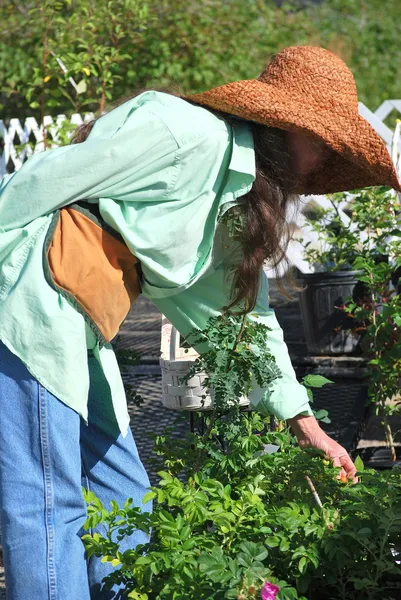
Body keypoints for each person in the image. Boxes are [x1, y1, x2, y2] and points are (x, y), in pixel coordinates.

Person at [0, 45, 399, 599]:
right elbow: (44, 179)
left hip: (86, 315)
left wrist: (305, 426)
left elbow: (243, 321)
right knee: (48, 502)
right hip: (27, 299)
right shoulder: (183, 131)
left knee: (125, 497)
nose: (321, 162)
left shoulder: (242, 203)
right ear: (285, 124)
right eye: (321, 142)